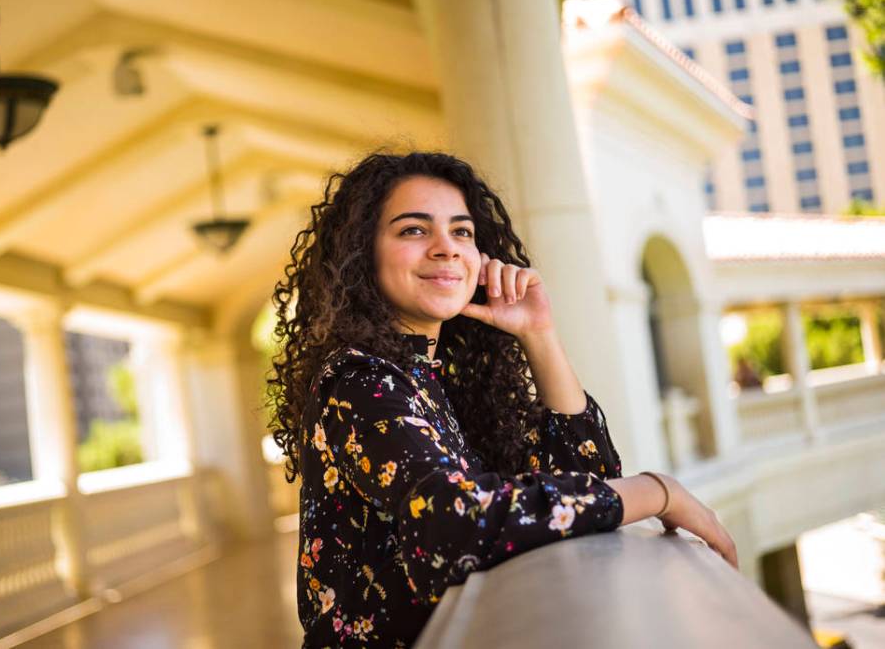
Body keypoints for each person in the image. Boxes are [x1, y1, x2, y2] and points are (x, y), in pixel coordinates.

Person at [267, 151, 738, 647]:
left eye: (462, 232)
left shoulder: (441, 381)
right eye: (413, 230)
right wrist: (659, 491)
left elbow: (592, 477)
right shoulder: (360, 382)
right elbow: (453, 523)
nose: (447, 248)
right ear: (363, 255)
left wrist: (538, 334)